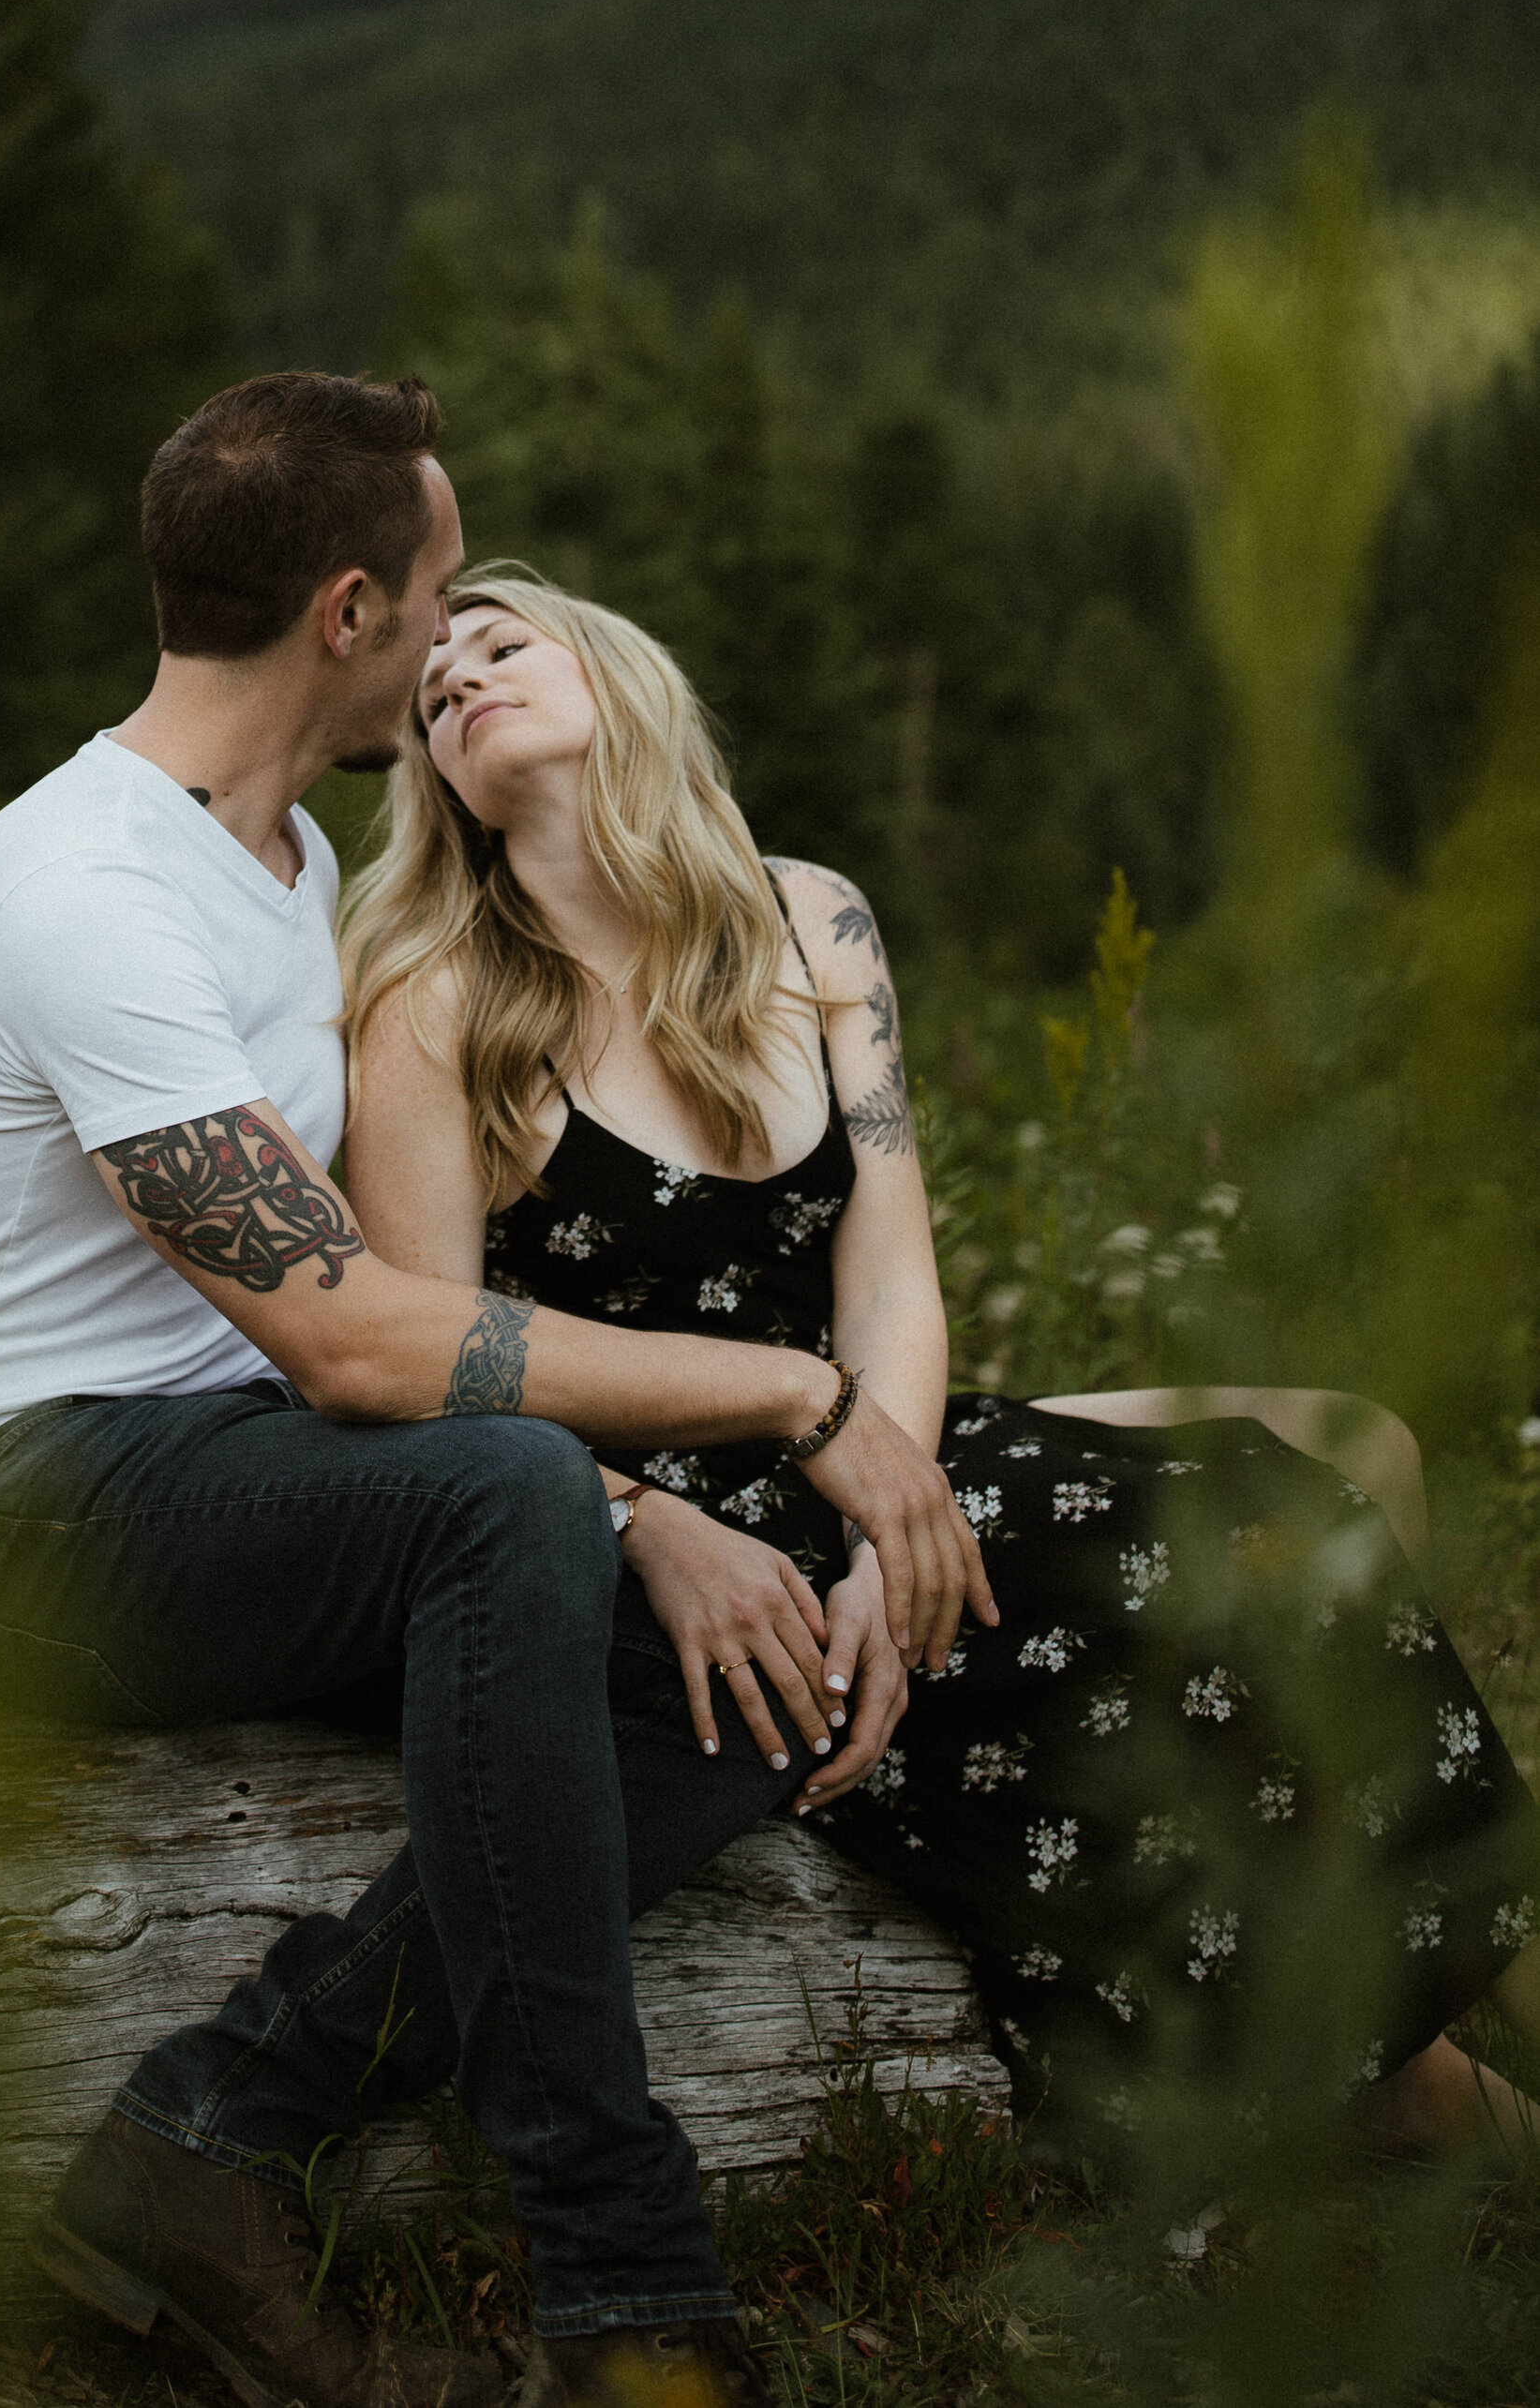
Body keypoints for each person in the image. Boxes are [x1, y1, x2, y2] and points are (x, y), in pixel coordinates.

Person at [0, 373, 994, 2408]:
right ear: (345, 612)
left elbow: (363, 1342)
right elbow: (351, 1331)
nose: (459, 611)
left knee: (746, 1655)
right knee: (509, 1494)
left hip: (268, 1477)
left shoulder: (292, 868)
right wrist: (786, 1405)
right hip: (35, 1510)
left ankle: (211, 2131)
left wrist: (661, 1523)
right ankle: (624, 2281)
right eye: (442, 582)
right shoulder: (80, 886)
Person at [341, 563, 1540, 2167]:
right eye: (432, 691)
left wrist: (890, 1505)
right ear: (438, 785)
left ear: (619, 674)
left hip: (864, 1431)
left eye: (502, 641)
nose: (461, 678)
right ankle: (1425, 2087)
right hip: (654, 1515)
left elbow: (889, 1261)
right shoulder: (440, 999)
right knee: (1261, 1518)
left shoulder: (805, 914)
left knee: (1322, 1462)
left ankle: (1443, 1988)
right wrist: (693, 1524)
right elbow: (446, 1367)